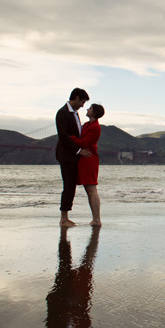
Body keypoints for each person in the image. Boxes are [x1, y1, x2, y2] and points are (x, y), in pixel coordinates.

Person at [55, 88, 92, 227]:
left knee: (71, 187)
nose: (83, 105)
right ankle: (63, 218)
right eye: (82, 102)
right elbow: (63, 136)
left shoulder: (74, 113)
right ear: (76, 98)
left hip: (73, 156)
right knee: (68, 186)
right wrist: (78, 151)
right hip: (66, 156)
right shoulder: (62, 113)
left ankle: (65, 217)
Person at [70, 103, 105, 227]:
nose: (87, 109)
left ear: (94, 112)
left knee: (91, 189)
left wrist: (72, 138)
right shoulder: (86, 125)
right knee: (88, 189)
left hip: (89, 159)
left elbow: (85, 142)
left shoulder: (95, 127)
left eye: (90, 108)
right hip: (84, 159)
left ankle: (97, 219)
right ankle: (95, 219)